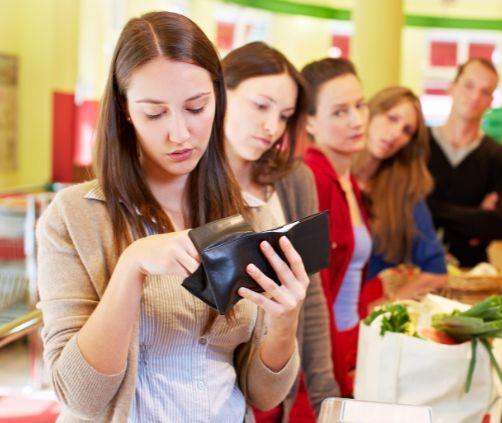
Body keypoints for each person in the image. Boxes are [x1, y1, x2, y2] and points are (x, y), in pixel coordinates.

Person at [37, 12, 306, 422]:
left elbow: (262, 394)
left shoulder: (254, 212)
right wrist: (132, 264)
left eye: (196, 108)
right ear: (125, 111)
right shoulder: (76, 215)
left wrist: (285, 322)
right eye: (155, 113)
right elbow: (81, 397)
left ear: (218, 99)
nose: (180, 133)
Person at [220, 41, 338, 422]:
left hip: (274, 379)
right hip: (212, 390)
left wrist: (325, 398)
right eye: (260, 106)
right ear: (220, 91)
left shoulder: (293, 179)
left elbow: (312, 294)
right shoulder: (188, 180)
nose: (272, 127)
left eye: (285, 115)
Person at [301, 58, 371, 397]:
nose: (357, 120)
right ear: (310, 121)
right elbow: (315, 292)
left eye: (360, 106)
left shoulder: (346, 179)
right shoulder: (314, 179)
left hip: (351, 343)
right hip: (327, 354)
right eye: (339, 112)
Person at [352, 86, 447, 311]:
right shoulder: (332, 175)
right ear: (370, 112)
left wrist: (381, 308)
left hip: (363, 319)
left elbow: (436, 272)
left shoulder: (404, 191)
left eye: (406, 131)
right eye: (391, 118)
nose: (395, 134)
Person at [427, 58, 502, 268]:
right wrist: (476, 217)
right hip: (413, 269)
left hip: (472, 273)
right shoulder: (419, 145)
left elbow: (501, 225)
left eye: (485, 91)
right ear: (452, 87)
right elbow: (408, 209)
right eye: (469, 85)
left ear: (491, 101)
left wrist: (433, 208)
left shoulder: (500, 157)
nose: (475, 96)